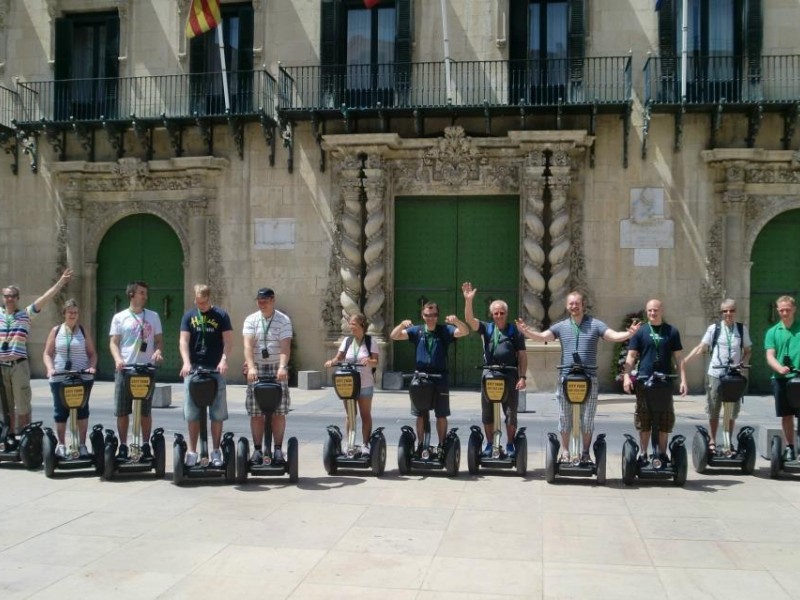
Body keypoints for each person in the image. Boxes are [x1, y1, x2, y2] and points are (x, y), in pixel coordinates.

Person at [516, 290, 640, 462]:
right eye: (571, 303)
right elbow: (544, 337)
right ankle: (565, 451)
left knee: (587, 418)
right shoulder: (561, 326)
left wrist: (628, 334)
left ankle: (585, 453)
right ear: (567, 306)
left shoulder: (595, 325)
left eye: (577, 303)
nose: (574, 306)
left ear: (583, 305)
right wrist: (527, 332)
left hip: (589, 377)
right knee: (565, 417)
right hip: (566, 377)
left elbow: (612, 335)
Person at [1, 267, 72, 436]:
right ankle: (8, 436)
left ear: (17, 298)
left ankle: (28, 436)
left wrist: (61, 281)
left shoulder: (25, 315)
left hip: (18, 364)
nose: (9, 299)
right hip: (1, 365)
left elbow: (45, 298)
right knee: (5, 406)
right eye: (6, 296)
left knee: (23, 403)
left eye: (12, 296)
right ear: (3, 298)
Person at [390, 302, 469, 454]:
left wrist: (457, 321)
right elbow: (394, 336)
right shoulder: (417, 330)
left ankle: (441, 446)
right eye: (427, 315)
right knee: (420, 414)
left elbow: (464, 332)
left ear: (437, 316)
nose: (430, 318)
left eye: (433, 316)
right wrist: (401, 325)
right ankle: (421, 445)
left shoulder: (445, 330)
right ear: (422, 315)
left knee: (441, 414)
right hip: (420, 378)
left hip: (440, 377)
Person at [462, 282, 527, 458]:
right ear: (491, 314)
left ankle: (510, 444)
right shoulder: (487, 328)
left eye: (502, 313)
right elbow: (470, 320)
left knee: (510, 412)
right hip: (490, 374)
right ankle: (490, 444)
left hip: (510, 374)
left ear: (506, 314)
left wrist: (522, 377)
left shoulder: (515, 332)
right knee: (488, 411)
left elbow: (522, 355)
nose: (498, 316)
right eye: (495, 313)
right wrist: (468, 301)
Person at [683, 299, 752, 454]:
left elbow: (747, 350)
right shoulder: (714, 329)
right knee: (714, 407)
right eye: (725, 311)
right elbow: (702, 346)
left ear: (735, 312)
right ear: (721, 313)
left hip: (734, 376)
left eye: (731, 310)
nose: (728, 314)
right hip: (716, 374)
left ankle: (728, 442)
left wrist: (742, 362)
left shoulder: (741, 329)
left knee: (731, 409)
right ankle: (712, 441)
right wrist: (686, 360)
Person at [622, 298, 687, 462]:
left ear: (661, 311)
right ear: (647, 312)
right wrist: (626, 377)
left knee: (665, 418)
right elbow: (631, 356)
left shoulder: (671, 331)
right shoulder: (641, 332)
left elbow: (679, 357)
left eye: (655, 310)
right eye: (650, 310)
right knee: (644, 418)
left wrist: (684, 380)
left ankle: (662, 455)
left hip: (664, 382)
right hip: (644, 381)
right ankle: (643, 454)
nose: (652, 313)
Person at [179, 284, 233, 467]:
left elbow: (228, 341)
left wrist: (224, 360)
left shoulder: (221, 316)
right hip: (193, 370)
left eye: (204, 302)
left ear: (209, 299)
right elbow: (183, 340)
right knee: (192, 413)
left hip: (215, 370)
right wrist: (186, 362)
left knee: (217, 413)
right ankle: (193, 451)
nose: (200, 305)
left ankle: (216, 451)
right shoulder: (189, 316)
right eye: (198, 302)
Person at [109, 281, 164, 460]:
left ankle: (146, 444)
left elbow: (158, 340)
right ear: (131, 294)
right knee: (122, 410)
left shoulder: (153, 316)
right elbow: (114, 342)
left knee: (145, 411)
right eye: (141, 293)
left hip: (145, 370)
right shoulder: (120, 317)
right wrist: (118, 359)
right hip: (125, 369)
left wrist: (157, 351)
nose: (145, 296)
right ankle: (124, 445)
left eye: (146, 293)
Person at [243, 287, 293, 464]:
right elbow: (248, 346)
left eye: (264, 301)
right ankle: (257, 450)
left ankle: (278, 449)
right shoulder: (251, 320)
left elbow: (285, 345)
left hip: (276, 368)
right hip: (257, 367)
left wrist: (282, 367)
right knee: (256, 411)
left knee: (279, 411)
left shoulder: (283, 320)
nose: (261, 304)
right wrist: (250, 367)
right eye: (259, 301)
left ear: (273, 300)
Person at [42, 298, 97, 458]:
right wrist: (50, 368)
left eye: (75, 312)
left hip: (82, 377)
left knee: (82, 410)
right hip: (60, 377)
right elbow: (47, 353)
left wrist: (92, 367)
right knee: (60, 411)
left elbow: (92, 354)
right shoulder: (56, 330)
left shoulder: (83, 330)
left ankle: (81, 445)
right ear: (64, 313)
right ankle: (61, 445)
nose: (73, 315)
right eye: (70, 312)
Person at [324, 313, 380, 455]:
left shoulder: (370, 341)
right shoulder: (347, 341)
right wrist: (332, 362)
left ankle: (366, 444)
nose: (351, 327)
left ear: (362, 325)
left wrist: (369, 361)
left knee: (365, 414)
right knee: (350, 415)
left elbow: (376, 361)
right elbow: (339, 357)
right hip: (348, 383)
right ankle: (350, 444)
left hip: (365, 383)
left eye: (353, 324)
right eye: (350, 324)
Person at [764, 295, 800, 461]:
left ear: (794, 309)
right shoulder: (773, 332)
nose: (785, 312)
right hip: (781, 379)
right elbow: (770, 355)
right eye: (782, 310)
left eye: (788, 309)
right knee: (786, 416)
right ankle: (790, 447)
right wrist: (779, 368)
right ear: (778, 311)